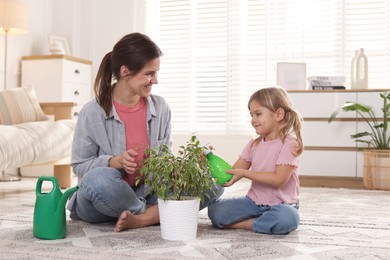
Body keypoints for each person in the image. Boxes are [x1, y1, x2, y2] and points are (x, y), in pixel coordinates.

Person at [67, 32, 223, 232]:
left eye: (156, 73)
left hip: (149, 193)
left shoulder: (161, 108)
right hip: (101, 202)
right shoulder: (92, 112)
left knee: (213, 182)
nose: (155, 80)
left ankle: (141, 218)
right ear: (125, 71)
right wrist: (113, 162)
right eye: (149, 74)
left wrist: (184, 167)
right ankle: (155, 213)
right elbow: (80, 165)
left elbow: (165, 157)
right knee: (97, 180)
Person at [207, 87, 303, 235]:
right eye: (251, 115)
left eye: (258, 114)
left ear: (278, 114)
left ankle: (248, 224)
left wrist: (246, 173)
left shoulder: (290, 144)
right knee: (215, 210)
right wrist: (210, 161)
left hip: (283, 205)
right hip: (253, 203)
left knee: (288, 218)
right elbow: (232, 173)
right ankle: (263, 222)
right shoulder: (253, 144)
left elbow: (279, 179)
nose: (253, 120)